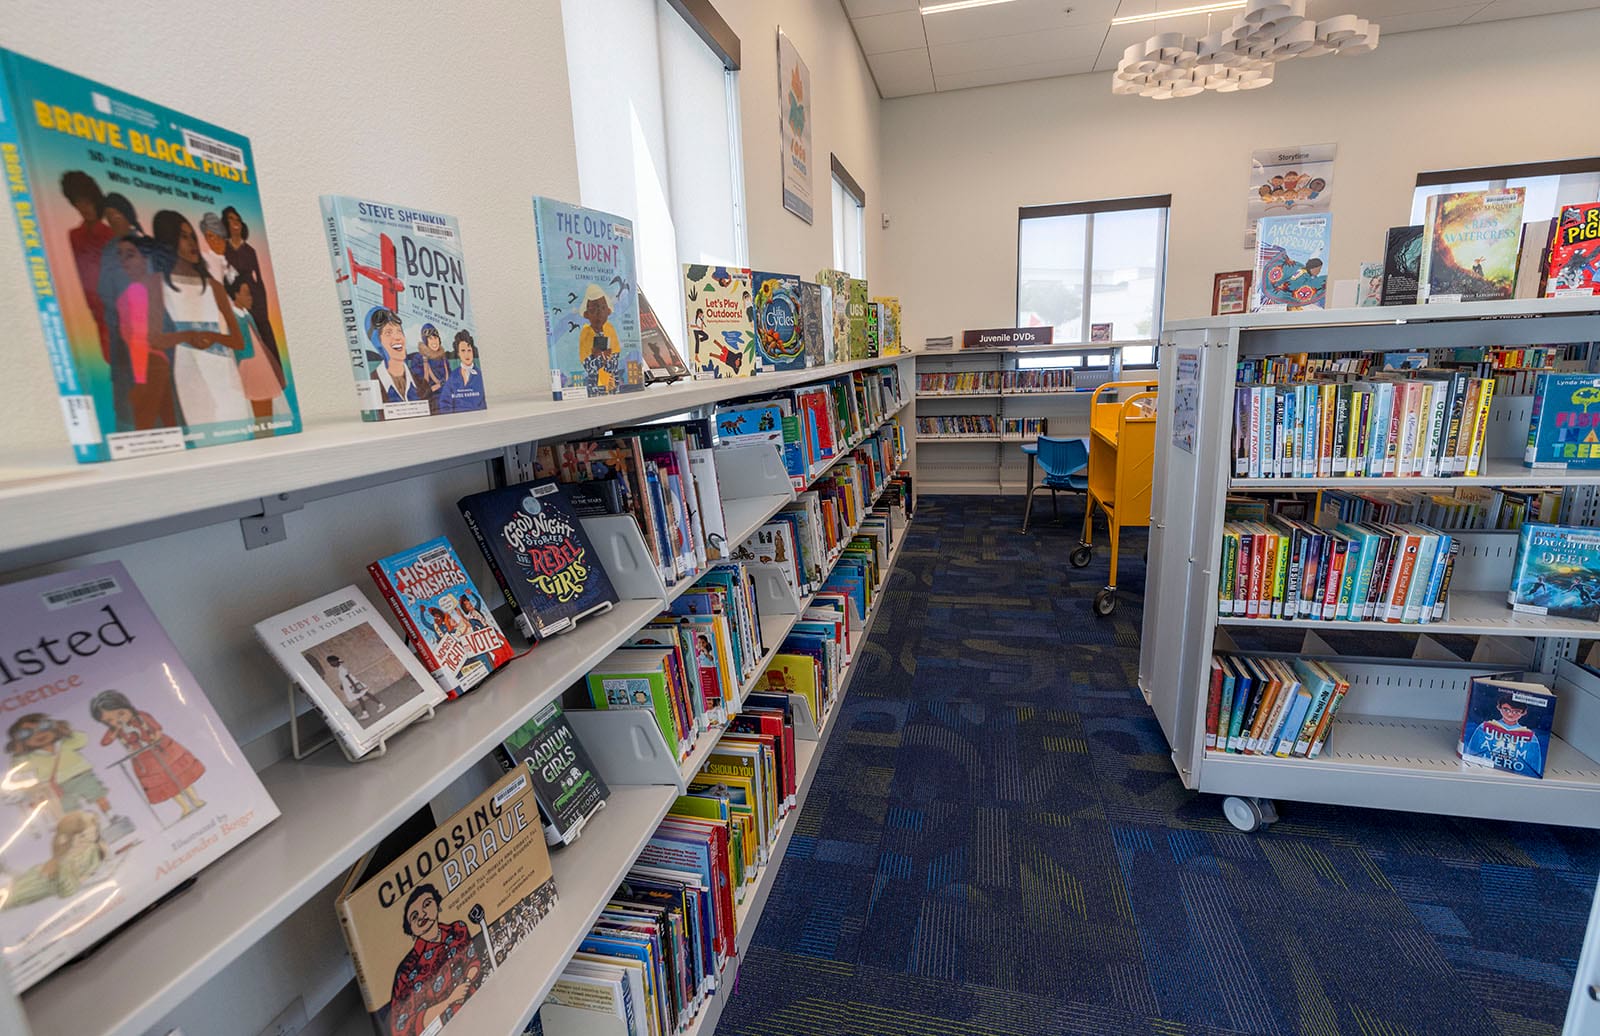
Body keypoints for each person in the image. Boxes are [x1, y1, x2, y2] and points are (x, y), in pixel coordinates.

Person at [145, 210, 248, 427]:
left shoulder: (215, 287)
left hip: (224, 373)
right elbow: (154, 338)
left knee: (239, 428)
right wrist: (188, 335)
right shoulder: (157, 283)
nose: (192, 242)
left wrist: (213, 336)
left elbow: (238, 342)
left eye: (192, 236)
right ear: (167, 239)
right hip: (190, 372)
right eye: (183, 236)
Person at [89, 689, 207, 820]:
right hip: (145, 760)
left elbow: (157, 728)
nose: (118, 720)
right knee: (165, 784)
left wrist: (155, 739)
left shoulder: (140, 717)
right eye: (110, 720)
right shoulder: (116, 729)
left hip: (162, 751)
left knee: (180, 776)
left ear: (128, 708)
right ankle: (185, 807)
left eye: (121, 714)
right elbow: (105, 742)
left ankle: (195, 800)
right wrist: (115, 729)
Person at [388, 884, 485, 1036]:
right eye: (414, 916)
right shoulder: (406, 971)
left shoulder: (458, 929)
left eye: (427, 904)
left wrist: (466, 982)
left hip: (478, 1009)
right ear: (410, 929)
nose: (422, 915)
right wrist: (449, 1001)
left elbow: (473, 960)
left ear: (437, 904)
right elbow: (402, 1027)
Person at [112, 234, 178, 430]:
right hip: (156, 364)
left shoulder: (141, 289)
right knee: (170, 425)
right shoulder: (143, 288)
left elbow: (140, 338)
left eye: (130, 255)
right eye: (120, 255)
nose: (123, 261)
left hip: (150, 365)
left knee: (146, 426)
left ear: (146, 258)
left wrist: (140, 380)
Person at [6, 714, 115, 821]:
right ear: (20, 741)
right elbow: (17, 767)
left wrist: (66, 731)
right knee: (69, 809)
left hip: (82, 776)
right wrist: (18, 750)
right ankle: (84, 829)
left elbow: (82, 740)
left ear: (54, 727)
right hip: (57, 787)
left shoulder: (64, 743)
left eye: (44, 726)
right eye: (26, 733)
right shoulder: (30, 757)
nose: (38, 734)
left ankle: (111, 816)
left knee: (98, 796)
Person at [95, 193, 142, 431]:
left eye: (117, 215)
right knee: (123, 389)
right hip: (117, 330)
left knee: (149, 388)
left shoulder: (144, 246)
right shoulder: (108, 250)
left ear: (128, 215)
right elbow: (103, 289)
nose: (113, 221)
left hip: (144, 330)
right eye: (108, 217)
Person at [0, 812, 109, 909]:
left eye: (93, 835)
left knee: (14, 893)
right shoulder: (64, 858)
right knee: (14, 890)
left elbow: (69, 889)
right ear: (66, 837)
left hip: (40, 882)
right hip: (37, 878)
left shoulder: (91, 851)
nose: (88, 841)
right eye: (82, 836)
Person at [220, 205, 283, 372]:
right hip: (236, 297)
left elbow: (259, 279)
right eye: (230, 220)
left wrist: (261, 303)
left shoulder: (250, 251)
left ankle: (277, 374)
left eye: (237, 219)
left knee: (264, 332)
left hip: (255, 297)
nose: (235, 223)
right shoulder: (223, 250)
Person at [61, 171, 113, 365]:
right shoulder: (75, 235)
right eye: (78, 202)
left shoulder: (111, 234)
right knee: (110, 359)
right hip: (96, 311)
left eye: (88, 201)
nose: (84, 208)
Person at [224, 274, 285, 429]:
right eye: (246, 293)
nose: (251, 298)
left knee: (266, 412)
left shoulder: (247, 315)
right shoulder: (232, 317)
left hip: (261, 367)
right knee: (258, 412)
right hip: (249, 366)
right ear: (236, 294)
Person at [1463, 693, 1544, 775]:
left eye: (1516, 711)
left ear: (1524, 712)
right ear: (1499, 707)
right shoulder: (1485, 727)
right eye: (1506, 709)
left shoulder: (1530, 736)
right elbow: (1471, 752)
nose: (1510, 714)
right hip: (1480, 769)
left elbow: (1533, 766)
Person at [368, 308, 421, 405]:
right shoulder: (371, 384)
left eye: (399, 331)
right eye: (388, 332)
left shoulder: (421, 383)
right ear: (377, 342)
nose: (397, 337)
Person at [578, 285, 621, 394]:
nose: (599, 313)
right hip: (595, 388)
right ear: (586, 314)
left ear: (608, 311)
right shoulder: (586, 333)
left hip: (612, 386)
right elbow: (589, 367)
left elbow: (614, 362)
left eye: (602, 308)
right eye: (593, 310)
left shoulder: (610, 329)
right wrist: (601, 357)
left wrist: (601, 357)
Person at [435, 331, 486, 413]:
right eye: (463, 350)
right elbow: (444, 402)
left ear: (473, 351)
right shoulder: (453, 376)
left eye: (469, 350)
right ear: (458, 353)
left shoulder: (480, 376)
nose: (467, 354)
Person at [326, 654, 387, 721]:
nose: (330, 664)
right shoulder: (340, 668)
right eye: (329, 663)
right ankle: (366, 713)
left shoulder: (341, 669)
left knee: (366, 694)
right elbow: (345, 678)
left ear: (335, 661)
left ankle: (380, 705)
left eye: (331, 662)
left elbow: (349, 678)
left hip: (354, 685)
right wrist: (343, 685)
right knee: (360, 698)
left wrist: (355, 688)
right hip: (352, 685)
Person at [408, 323, 449, 411]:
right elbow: (417, 386)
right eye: (430, 338)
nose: (434, 341)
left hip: (446, 400)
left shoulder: (444, 358)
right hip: (429, 403)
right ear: (425, 341)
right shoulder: (418, 359)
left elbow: (451, 379)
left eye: (436, 338)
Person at [197, 211, 236, 286]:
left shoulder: (234, 260)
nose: (216, 240)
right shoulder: (205, 260)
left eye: (218, 235)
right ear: (206, 239)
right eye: (210, 236)